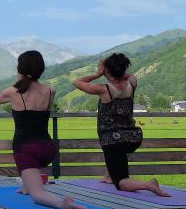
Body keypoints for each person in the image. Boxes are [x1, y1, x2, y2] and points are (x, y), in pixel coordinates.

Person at [0, 51, 89, 209]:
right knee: (31, 172)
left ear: (20, 69)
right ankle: (26, 185)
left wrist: (18, 82)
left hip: (26, 148)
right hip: (47, 148)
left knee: (37, 194)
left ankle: (62, 204)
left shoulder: (12, 91)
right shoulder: (50, 91)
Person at [73, 53, 170, 196]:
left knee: (121, 183)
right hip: (132, 137)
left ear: (107, 70)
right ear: (123, 69)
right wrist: (114, 72)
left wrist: (98, 73)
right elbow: (128, 76)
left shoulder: (104, 89)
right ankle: (107, 176)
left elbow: (77, 82)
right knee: (116, 158)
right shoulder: (132, 84)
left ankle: (149, 186)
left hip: (112, 140)